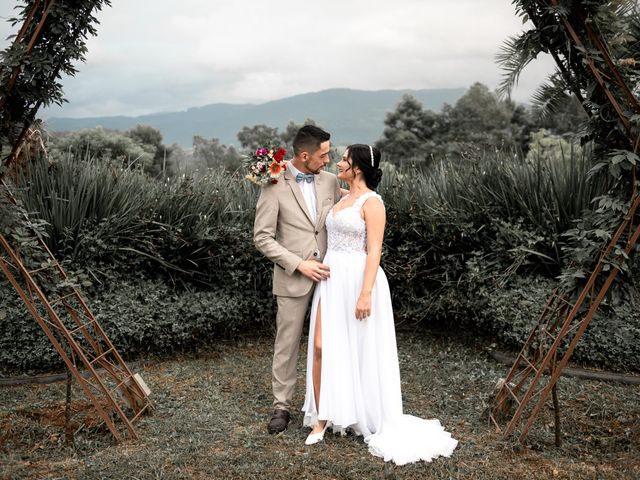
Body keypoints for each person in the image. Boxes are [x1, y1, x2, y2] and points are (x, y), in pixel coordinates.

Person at [301, 144, 458, 464]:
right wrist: (275, 173)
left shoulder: (373, 203)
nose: (339, 163)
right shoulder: (342, 196)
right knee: (319, 346)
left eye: (344, 159)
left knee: (360, 348)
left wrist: (365, 293)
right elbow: (309, 177)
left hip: (359, 280)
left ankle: (358, 410)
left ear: (357, 166)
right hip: (331, 280)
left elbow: (374, 251)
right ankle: (322, 416)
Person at [253, 125, 342, 434]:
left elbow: (350, 208)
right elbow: (262, 238)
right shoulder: (273, 183)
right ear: (305, 155)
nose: (328, 160)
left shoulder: (330, 181)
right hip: (293, 277)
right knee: (287, 342)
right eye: (324, 154)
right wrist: (299, 265)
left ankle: (330, 401)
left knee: (331, 341)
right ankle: (282, 405)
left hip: (332, 276)